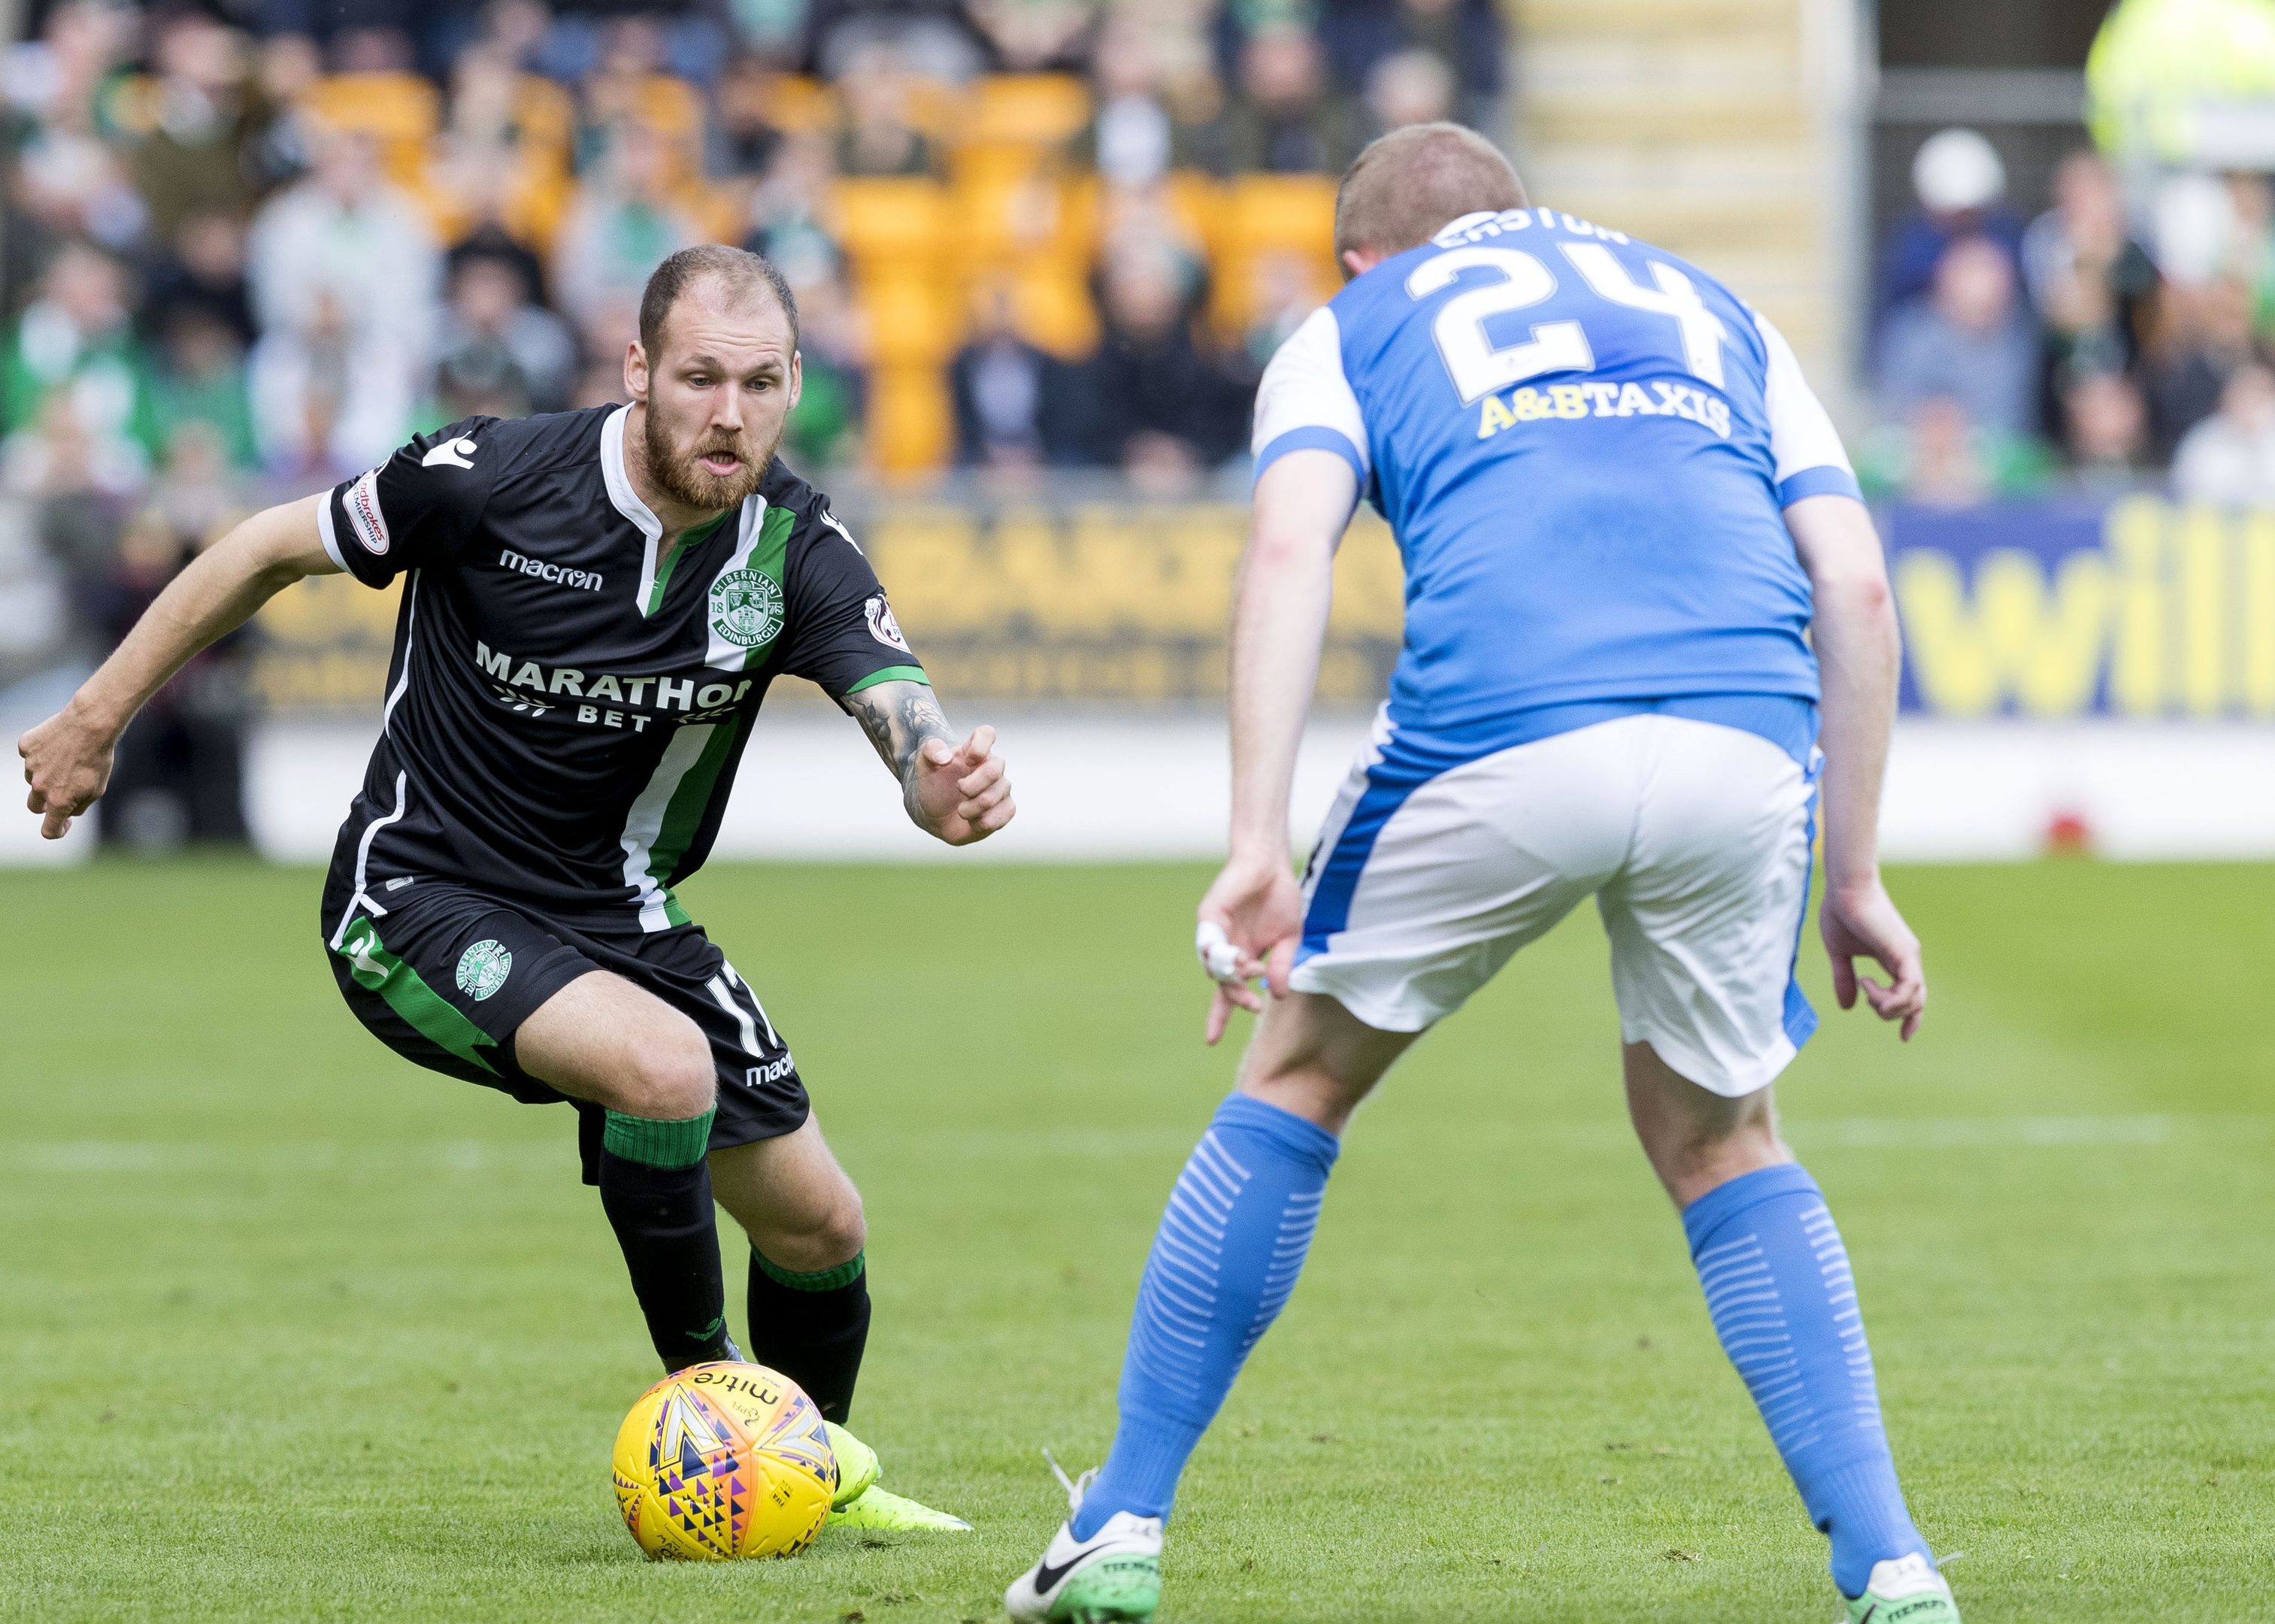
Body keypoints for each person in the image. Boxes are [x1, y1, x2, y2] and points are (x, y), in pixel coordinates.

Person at [1006, 125, 1958, 1624]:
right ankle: (1889, 1563)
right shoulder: (1715, 306)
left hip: (1502, 720)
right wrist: (1857, 874)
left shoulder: (1349, 328)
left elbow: (1286, 555)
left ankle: (1117, 1522)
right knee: (1723, 1140)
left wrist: (1258, 842)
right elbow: (1849, 578)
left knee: (1300, 1076)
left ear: (1359, 257)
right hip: (1740, 728)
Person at [18, 243, 1013, 1533]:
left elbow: (905, 716)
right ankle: (716, 1421)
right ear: (639, 369)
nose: (730, 413)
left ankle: (810, 1486)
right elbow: (267, 545)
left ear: (793, 385)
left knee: (820, 1225)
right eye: (701, 377)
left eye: (760, 383)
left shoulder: (795, 547)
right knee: (662, 1071)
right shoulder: (491, 477)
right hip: (421, 896)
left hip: (628, 917)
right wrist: (94, 716)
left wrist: (940, 784)